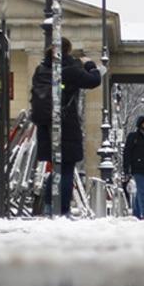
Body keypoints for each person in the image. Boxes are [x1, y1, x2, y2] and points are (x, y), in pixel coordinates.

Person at [33, 37, 104, 217]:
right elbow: (94, 80)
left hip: (45, 126)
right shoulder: (69, 70)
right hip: (66, 124)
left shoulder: (41, 70)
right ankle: (62, 210)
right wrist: (89, 65)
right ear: (67, 51)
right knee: (66, 169)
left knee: (55, 168)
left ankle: (49, 207)